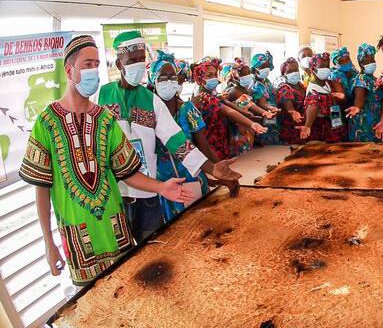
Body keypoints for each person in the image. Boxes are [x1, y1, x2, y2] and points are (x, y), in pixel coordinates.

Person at [22, 35, 195, 285]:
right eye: (87, 64)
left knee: (127, 290)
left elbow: (127, 171)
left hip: (116, 230)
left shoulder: (104, 119)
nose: (94, 71)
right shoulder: (46, 122)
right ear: (70, 70)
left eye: (96, 64)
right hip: (79, 238)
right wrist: (49, 243)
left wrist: (161, 187)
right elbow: (42, 188)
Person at [97, 31, 212, 242]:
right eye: (132, 60)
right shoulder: (101, 95)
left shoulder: (151, 100)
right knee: (121, 253)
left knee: (152, 246)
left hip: (147, 191)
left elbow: (176, 140)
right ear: (119, 63)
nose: (138, 65)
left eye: (141, 59)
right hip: (113, 192)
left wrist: (212, 168)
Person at [147, 51, 241, 221]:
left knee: (200, 224)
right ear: (152, 80)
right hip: (164, 183)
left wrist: (219, 171)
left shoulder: (187, 110)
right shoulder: (147, 114)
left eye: (172, 76)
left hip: (192, 177)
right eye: (162, 77)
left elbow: (203, 146)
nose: (169, 81)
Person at [191, 57, 266, 162]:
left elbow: (227, 103)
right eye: (209, 76)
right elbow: (228, 110)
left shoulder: (213, 92)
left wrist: (244, 112)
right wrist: (251, 123)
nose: (214, 78)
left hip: (219, 133)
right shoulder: (207, 96)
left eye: (215, 75)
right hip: (210, 137)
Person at [223, 59, 275, 155]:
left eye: (248, 73)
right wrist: (265, 113)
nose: (247, 76)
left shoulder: (246, 89)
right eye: (243, 74)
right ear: (235, 77)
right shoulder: (235, 90)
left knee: (247, 151)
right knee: (240, 153)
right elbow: (250, 105)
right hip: (237, 125)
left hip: (245, 123)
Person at [298, 52, 346, 142]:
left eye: (327, 66)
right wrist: (308, 125)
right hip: (322, 128)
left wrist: (341, 96)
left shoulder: (327, 82)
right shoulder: (314, 91)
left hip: (335, 122)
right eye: (322, 66)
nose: (326, 69)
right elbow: (313, 105)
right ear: (313, 68)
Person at [344, 43, 383, 142]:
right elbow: (359, 96)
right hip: (364, 121)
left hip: (374, 118)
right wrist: (357, 106)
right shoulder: (361, 79)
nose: (370, 63)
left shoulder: (373, 78)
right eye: (366, 61)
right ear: (360, 63)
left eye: (372, 60)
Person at [251, 52, 281, 145]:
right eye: (262, 67)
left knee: (273, 128)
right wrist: (270, 107)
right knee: (266, 130)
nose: (266, 69)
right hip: (264, 111)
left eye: (267, 66)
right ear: (254, 70)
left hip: (272, 110)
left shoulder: (266, 81)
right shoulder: (256, 85)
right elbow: (261, 103)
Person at [276, 57, 306, 145]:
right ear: (284, 74)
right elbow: (289, 107)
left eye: (296, 70)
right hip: (292, 126)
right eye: (290, 71)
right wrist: (293, 112)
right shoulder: (285, 88)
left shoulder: (300, 86)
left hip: (303, 122)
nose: (294, 73)